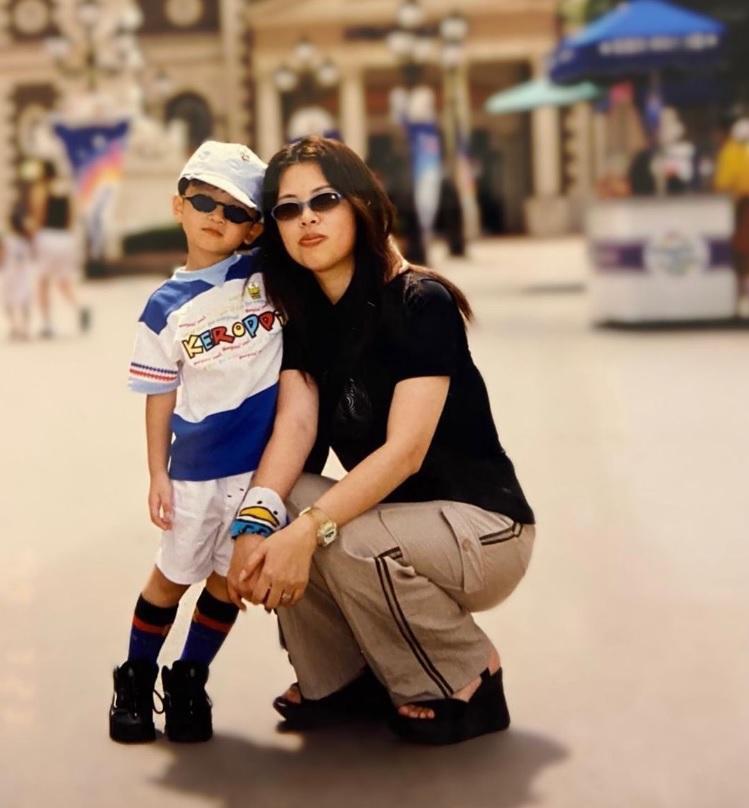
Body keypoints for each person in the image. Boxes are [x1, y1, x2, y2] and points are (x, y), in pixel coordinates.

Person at [227, 136, 535, 746]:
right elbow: (296, 427)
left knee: (335, 533)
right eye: (288, 209)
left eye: (324, 200)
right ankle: (343, 678)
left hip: (486, 530)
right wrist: (254, 524)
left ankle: (470, 676)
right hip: (399, 522)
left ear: (361, 204)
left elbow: (405, 453)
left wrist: (306, 533)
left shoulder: (421, 301)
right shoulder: (306, 317)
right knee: (281, 502)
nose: (307, 218)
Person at [109, 141, 303, 745]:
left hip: (260, 473)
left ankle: (189, 678)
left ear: (254, 228)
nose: (217, 217)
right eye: (203, 202)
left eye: (236, 211)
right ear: (179, 207)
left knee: (227, 581)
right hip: (194, 473)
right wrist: (157, 473)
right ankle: (135, 679)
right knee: (172, 577)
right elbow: (159, 394)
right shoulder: (162, 308)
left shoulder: (264, 273)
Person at [26, 159, 89, 337]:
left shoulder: (41, 190)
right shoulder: (66, 191)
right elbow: (71, 217)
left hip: (47, 236)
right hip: (65, 239)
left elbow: (38, 217)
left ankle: (47, 324)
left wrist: (32, 239)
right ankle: (80, 307)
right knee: (64, 281)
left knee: (43, 282)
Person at [714, 117, 749, 316]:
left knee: (740, 253)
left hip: (741, 205)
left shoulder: (732, 150)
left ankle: (740, 297)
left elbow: (724, 181)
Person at [1, 205, 35, 340]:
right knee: (25, 301)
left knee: (9, 301)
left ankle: (14, 326)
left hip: (10, 273)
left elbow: (2, 256)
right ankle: (25, 328)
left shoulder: (7, 239)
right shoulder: (27, 239)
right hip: (24, 274)